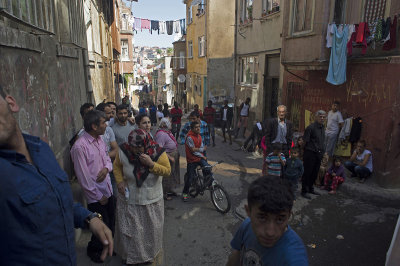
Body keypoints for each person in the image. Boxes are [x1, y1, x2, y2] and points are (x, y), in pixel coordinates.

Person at [0, 86, 113, 265]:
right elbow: (84, 178)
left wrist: (88, 217)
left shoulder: (41, 149)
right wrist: (96, 200)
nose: (106, 125)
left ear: (11, 103)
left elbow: (57, 200)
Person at [113, 129, 171, 265]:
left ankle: (148, 256)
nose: (135, 149)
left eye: (139, 146)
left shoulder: (158, 153)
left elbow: (167, 171)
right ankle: (129, 256)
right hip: (129, 199)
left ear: (146, 144)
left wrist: (151, 164)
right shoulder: (123, 151)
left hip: (150, 200)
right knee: (129, 231)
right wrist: (120, 181)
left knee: (149, 233)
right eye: (132, 146)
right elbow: (116, 166)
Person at [226, 176, 308, 266]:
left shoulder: (293, 258)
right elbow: (236, 255)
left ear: (289, 216)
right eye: (262, 217)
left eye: (280, 219)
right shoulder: (246, 226)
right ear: (248, 211)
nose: (270, 232)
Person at [70, 110, 116, 263]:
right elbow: (84, 178)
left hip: (108, 190)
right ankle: (94, 249)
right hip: (96, 197)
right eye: (103, 122)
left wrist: (106, 169)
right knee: (99, 225)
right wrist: (97, 197)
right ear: (94, 126)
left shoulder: (100, 140)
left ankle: (108, 246)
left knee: (111, 222)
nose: (106, 124)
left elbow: (107, 160)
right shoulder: (79, 147)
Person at [182, 121, 213, 202]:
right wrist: (202, 153)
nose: (198, 128)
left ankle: (209, 184)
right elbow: (193, 150)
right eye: (196, 127)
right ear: (192, 129)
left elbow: (201, 146)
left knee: (207, 168)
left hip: (199, 158)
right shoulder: (189, 137)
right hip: (191, 160)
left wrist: (201, 152)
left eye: (199, 127)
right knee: (190, 178)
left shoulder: (199, 136)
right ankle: (185, 193)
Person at [301, 110, 326, 199]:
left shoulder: (323, 127)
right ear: (316, 117)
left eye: (323, 117)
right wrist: (303, 152)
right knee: (307, 172)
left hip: (319, 154)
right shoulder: (310, 128)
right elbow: (305, 141)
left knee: (315, 173)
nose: (322, 118)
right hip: (310, 153)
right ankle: (304, 190)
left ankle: (311, 188)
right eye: (320, 116)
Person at [155, 118, 180, 200]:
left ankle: (170, 189)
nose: (171, 123)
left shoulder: (167, 132)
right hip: (168, 157)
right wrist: (169, 157)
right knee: (166, 176)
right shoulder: (161, 134)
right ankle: (164, 194)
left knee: (172, 174)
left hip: (173, 156)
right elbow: (159, 149)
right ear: (163, 125)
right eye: (169, 122)